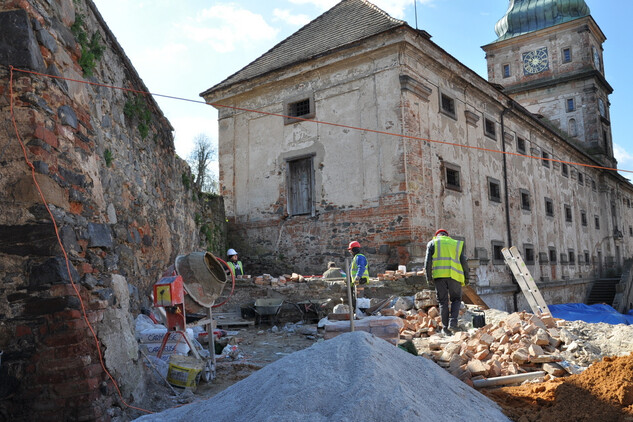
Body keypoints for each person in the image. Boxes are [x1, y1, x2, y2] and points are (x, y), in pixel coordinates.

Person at [424, 229, 469, 335]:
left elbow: (427, 262)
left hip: (439, 276)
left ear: (437, 235)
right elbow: (464, 262)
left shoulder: (432, 243)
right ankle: (453, 323)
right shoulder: (455, 244)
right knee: (456, 300)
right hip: (455, 276)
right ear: (447, 236)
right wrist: (467, 278)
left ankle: (445, 329)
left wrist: (428, 277)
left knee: (443, 302)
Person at [347, 241, 369, 310]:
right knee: (357, 298)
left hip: (360, 281)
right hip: (357, 282)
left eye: (350, 250)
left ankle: (361, 314)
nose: (350, 252)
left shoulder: (359, 257)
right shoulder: (356, 257)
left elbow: (361, 267)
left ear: (354, 249)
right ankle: (358, 313)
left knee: (360, 299)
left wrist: (357, 278)